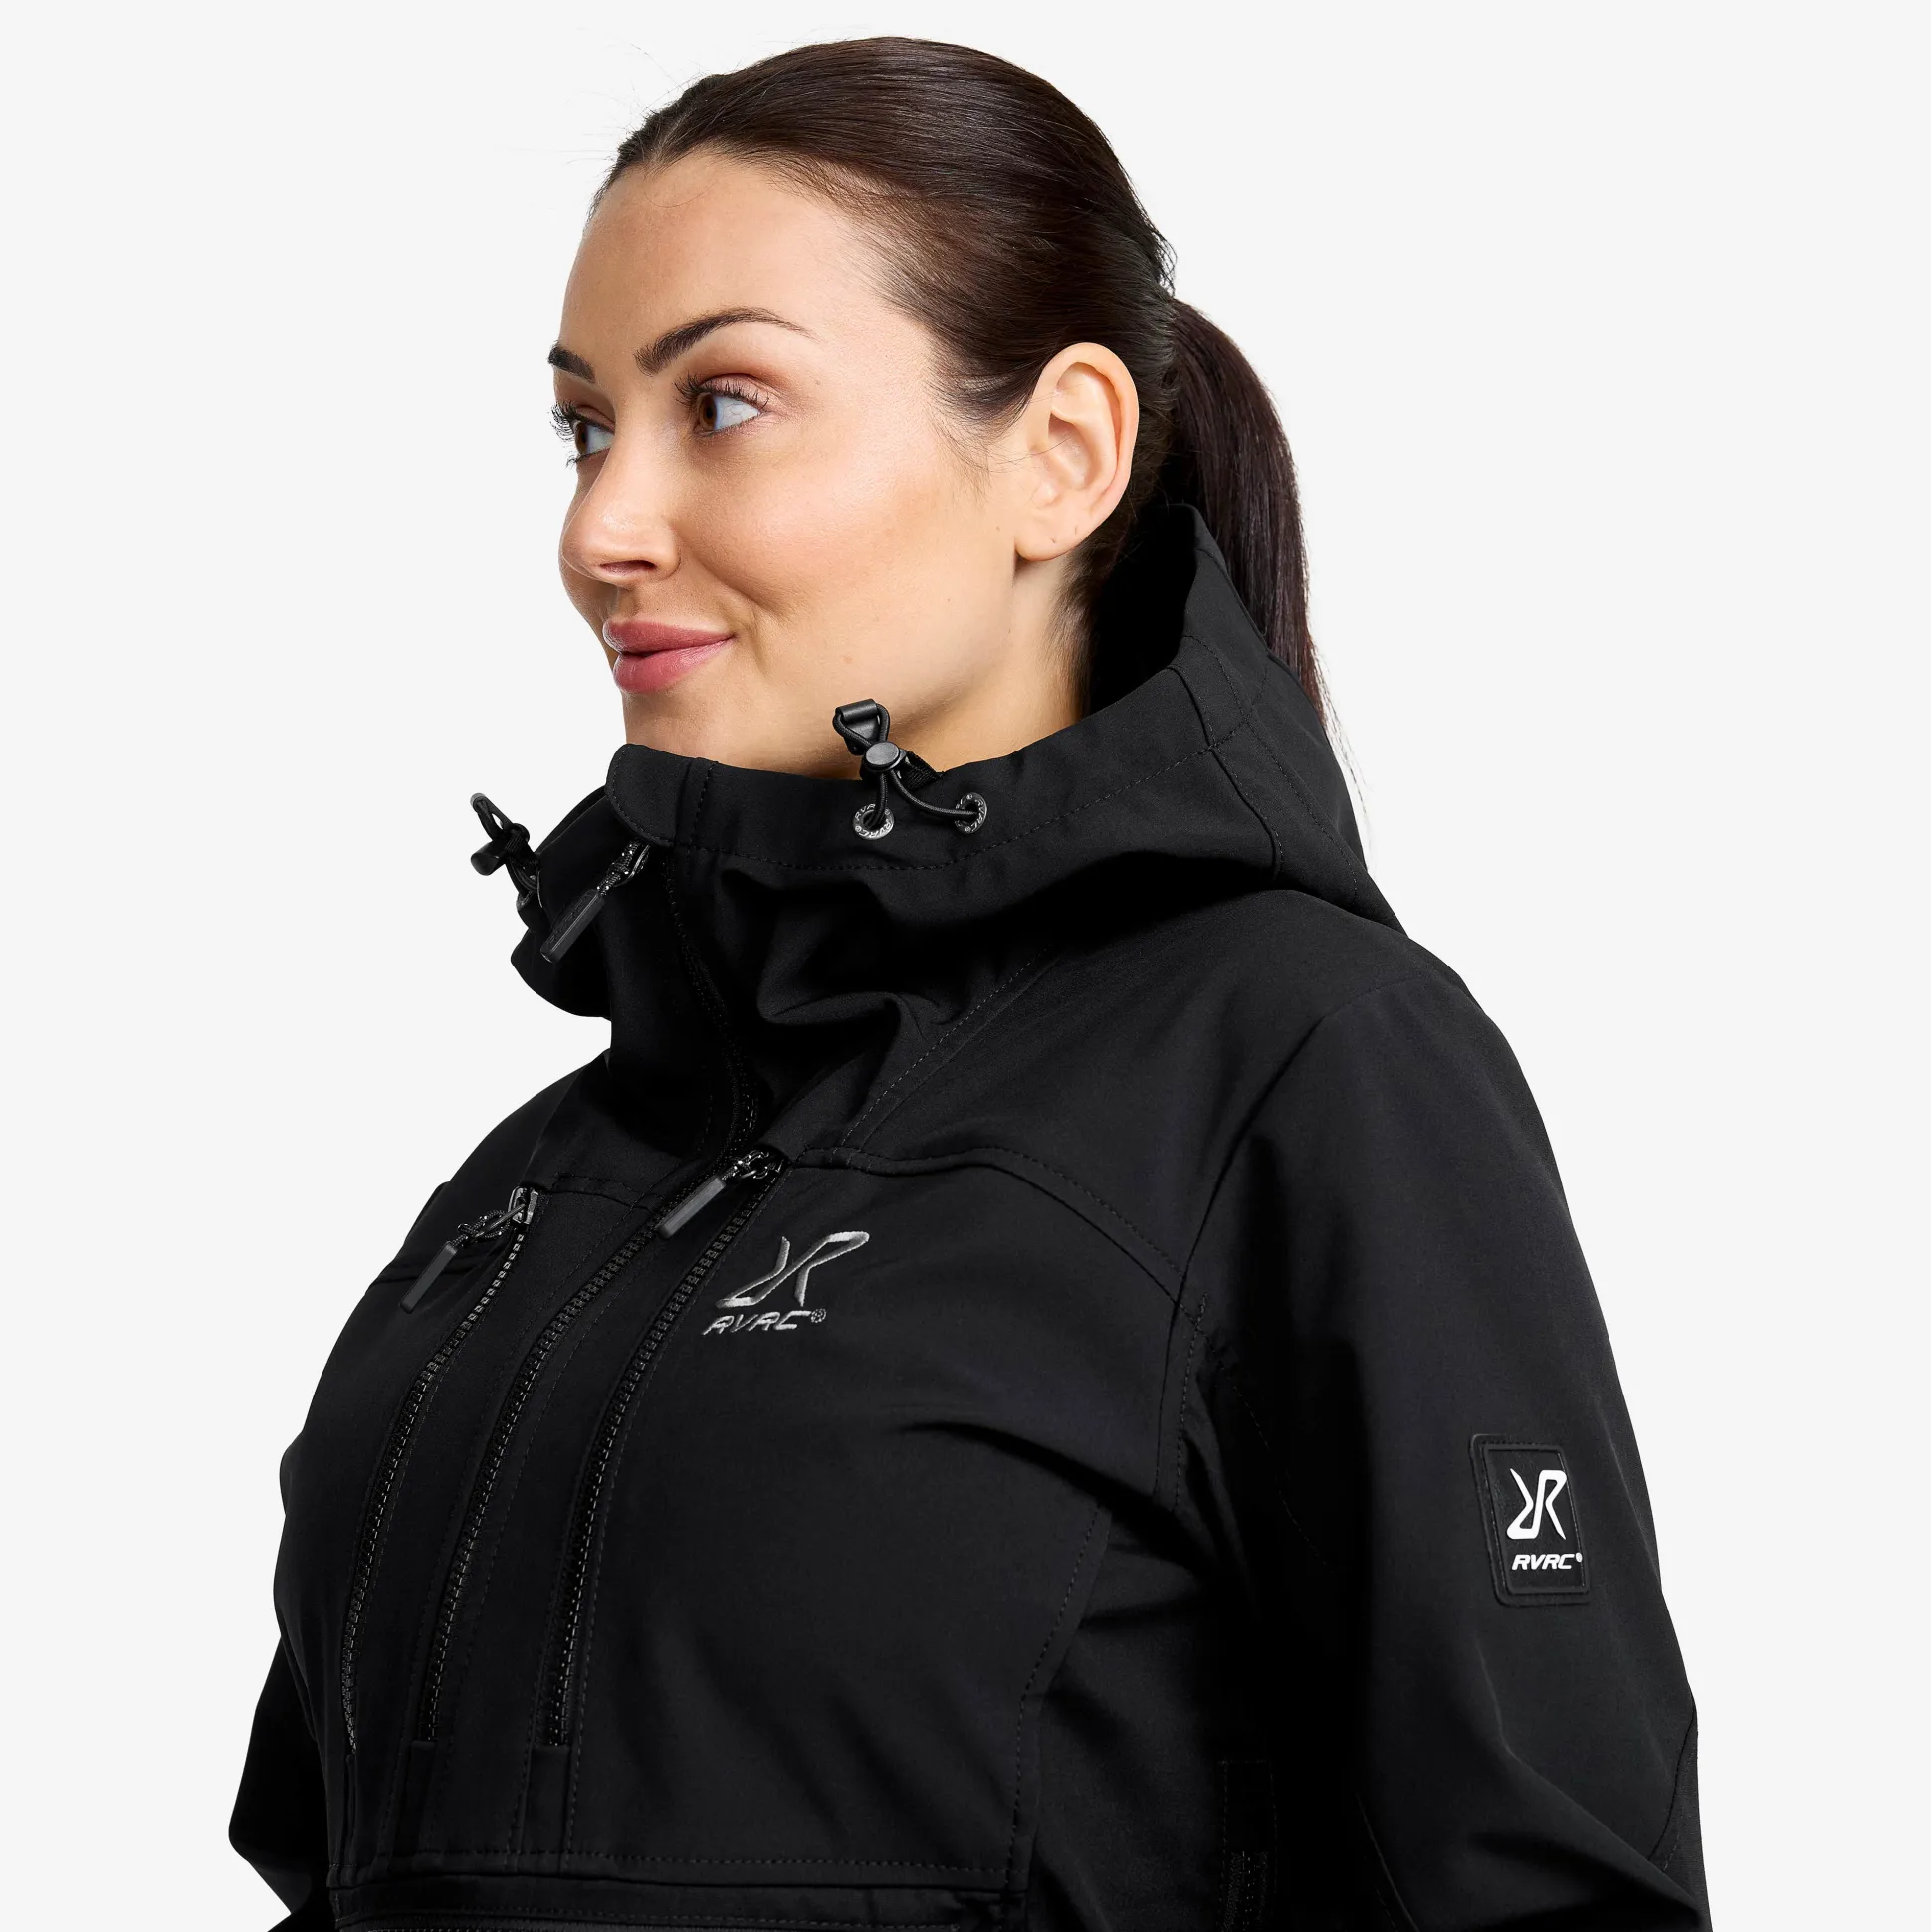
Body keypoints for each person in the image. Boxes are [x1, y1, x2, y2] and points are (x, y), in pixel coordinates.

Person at [231, 36, 1710, 1932]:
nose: (602, 530)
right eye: (586, 428)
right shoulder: (532, 1190)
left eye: (727, 404)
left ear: (1062, 454)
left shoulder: (1308, 1069)